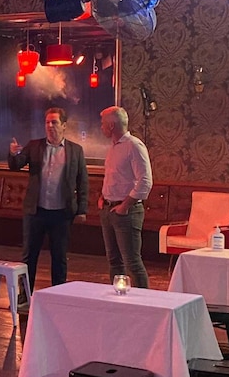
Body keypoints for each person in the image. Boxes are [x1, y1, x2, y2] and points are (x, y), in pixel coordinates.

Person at [9, 107, 89, 292]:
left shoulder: (75, 150)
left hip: (62, 213)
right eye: (47, 122)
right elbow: (16, 165)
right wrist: (13, 153)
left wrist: (82, 209)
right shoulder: (34, 146)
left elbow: (82, 181)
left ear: (64, 126)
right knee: (29, 256)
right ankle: (24, 296)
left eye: (54, 122)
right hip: (36, 211)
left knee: (59, 257)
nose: (50, 126)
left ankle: (57, 295)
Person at [98, 106, 153, 288]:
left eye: (103, 124)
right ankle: (119, 300)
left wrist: (125, 205)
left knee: (132, 263)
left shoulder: (134, 146)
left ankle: (143, 304)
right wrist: (103, 196)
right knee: (114, 261)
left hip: (126, 211)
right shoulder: (113, 148)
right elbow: (115, 176)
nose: (101, 127)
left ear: (112, 125)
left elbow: (145, 181)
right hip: (109, 209)